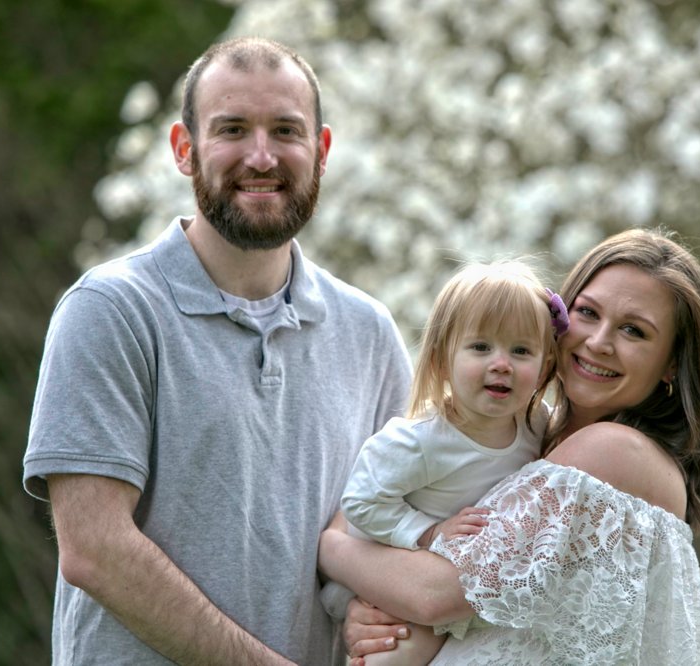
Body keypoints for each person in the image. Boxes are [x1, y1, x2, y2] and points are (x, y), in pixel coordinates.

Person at [23, 37, 412, 665]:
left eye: (286, 130)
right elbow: (94, 549)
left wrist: (371, 608)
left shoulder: (368, 334)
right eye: (232, 129)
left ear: (322, 149)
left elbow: (384, 528)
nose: (261, 157)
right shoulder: (112, 311)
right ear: (185, 149)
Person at [319, 228, 700, 665]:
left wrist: (333, 550)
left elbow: (434, 593)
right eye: (588, 313)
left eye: (633, 331)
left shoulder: (615, 452)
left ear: (672, 362)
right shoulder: (524, 431)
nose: (598, 341)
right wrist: (367, 608)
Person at [321, 260, 563, 664]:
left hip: (465, 584)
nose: (501, 363)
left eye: (521, 350)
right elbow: (360, 502)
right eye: (480, 347)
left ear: (544, 368)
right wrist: (428, 532)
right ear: (440, 360)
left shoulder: (540, 424)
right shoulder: (419, 440)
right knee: (392, 655)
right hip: (394, 575)